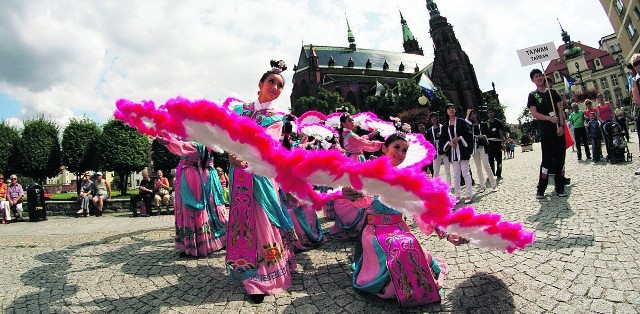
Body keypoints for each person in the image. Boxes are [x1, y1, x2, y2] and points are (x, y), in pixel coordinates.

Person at [350, 133, 468, 307]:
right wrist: (354, 194)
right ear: (384, 148)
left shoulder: (407, 178)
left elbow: (420, 210)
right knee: (399, 246)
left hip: (399, 228)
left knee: (407, 243)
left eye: (404, 150)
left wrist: (447, 234)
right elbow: (364, 200)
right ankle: (396, 286)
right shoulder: (370, 172)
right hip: (374, 231)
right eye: (396, 147)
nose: (400, 153)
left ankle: (414, 286)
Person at [225, 60, 297, 304]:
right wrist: (230, 154)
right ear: (260, 84)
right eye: (272, 82)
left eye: (280, 85)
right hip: (237, 173)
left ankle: (264, 276)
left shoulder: (277, 118)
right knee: (242, 218)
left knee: (261, 218)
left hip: (260, 172)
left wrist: (245, 159)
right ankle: (245, 266)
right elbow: (228, 137)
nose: (275, 87)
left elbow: (267, 146)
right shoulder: (238, 111)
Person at [163, 139, 228, 257]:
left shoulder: (197, 143)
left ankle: (199, 245)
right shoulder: (204, 140)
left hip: (194, 178)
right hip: (198, 177)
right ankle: (199, 242)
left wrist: (163, 139)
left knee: (194, 208)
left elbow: (180, 146)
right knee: (207, 208)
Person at [330, 112, 384, 239]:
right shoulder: (350, 136)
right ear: (343, 123)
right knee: (361, 189)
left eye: (352, 120)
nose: (352, 122)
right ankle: (360, 221)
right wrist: (383, 144)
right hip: (356, 162)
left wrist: (372, 134)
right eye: (349, 120)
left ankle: (362, 217)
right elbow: (366, 144)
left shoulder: (345, 134)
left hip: (353, 160)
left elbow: (361, 139)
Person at [526, 69, 568, 199]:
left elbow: (560, 109)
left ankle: (559, 187)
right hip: (546, 132)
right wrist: (549, 118)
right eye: (535, 77)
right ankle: (541, 188)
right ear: (533, 80)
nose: (538, 78)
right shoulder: (533, 95)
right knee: (547, 161)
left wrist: (561, 125)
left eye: (540, 76)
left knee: (560, 159)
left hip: (558, 130)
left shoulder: (553, 93)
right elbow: (534, 113)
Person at [440, 104, 473, 204]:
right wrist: (449, 143)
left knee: (465, 173)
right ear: (446, 112)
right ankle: (457, 195)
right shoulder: (445, 125)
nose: (451, 110)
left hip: (463, 150)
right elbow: (442, 139)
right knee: (456, 174)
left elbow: (469, 133)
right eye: (449, 108)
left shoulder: (461, 121)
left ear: (455, 110)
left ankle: (468, 194)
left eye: (452, 108)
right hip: (453, 152)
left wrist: (459, 138)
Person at [465, 109, 498, 193]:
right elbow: (467, 131)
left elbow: (488, 133)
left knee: (486, 165)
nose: (472, 116)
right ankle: (482, 186)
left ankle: (493, 184)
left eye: (473, 114)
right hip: (475, 148)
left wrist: (483, 136)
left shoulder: (483, 123)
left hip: (483, 146)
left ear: (476, 114)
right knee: (478, 167)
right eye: (470, 115)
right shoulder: (469, 125)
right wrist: (476, 136)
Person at [424, 113, 452, 186]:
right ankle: (435, 187)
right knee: (436, 172)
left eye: (435, 117)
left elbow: (448, 138)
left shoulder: (443, 127)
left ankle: (449, 187)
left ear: (437, 118)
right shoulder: (430, 131)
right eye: (432, 118)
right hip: (436, 154)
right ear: (430, 120)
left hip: (445, 151)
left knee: (448, 171)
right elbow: (428, 143)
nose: (434, 119)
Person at [485, 108, 505, 180]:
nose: (490, 114)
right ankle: (491, 174)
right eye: (489, 112)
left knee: (499, 160)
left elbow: (501, 133)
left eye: (491, 112)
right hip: (489, 144)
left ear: (494, 113)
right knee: (490, 160)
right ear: (487, 114)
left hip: (497, 143)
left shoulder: (498, 122)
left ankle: (499, 173)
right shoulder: (486, 123)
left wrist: (503, 143)